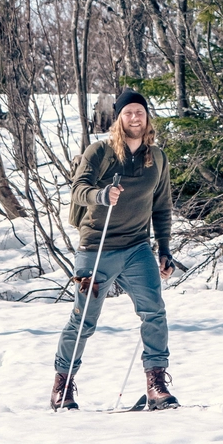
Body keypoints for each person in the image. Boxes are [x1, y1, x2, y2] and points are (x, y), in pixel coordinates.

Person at [51, 89, 178, 411]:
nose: (135, 118)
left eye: (140, 112)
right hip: (97, 246)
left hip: (137, 248)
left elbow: (162, 206)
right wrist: (101, 195)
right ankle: (62, 385)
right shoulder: (100, 151)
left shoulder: (157, 157)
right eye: (128, 113)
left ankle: (156, 384)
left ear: (147, 117)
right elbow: (78, 190)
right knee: (84, 320)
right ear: (118, 118)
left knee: (154, 312)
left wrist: (164, 249)